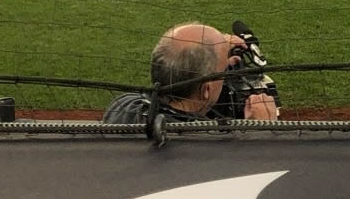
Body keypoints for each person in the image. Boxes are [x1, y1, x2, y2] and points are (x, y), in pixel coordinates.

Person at [100, 22, 280, 124]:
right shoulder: (202, 141)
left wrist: (217, 47)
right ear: (206, 90)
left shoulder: (123, 105)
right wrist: (262, 129)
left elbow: (178, 53)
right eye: (223, 71)